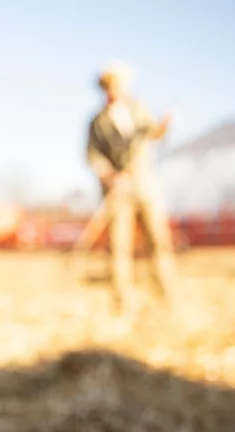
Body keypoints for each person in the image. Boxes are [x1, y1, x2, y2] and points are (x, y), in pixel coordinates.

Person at [85, 60, 176, 313]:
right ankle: (122, 303)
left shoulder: (138, 110)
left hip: (145, 186)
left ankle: (167, 295)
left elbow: (152, 135)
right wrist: (111, 176)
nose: (115, 90)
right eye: (110, 86)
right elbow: (93, 157)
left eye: (119, 85)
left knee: (158, 241)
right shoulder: (97, 122)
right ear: (104, 88)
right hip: (117, 193)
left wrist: (164, 126)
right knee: (118, 247)